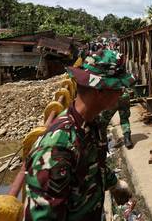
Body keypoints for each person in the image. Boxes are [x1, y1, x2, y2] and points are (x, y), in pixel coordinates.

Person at [24, 49, 133, 220]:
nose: (121, 93)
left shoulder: (90, 124)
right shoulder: (58, 148)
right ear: (99, 90)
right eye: (118, 87)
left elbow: (93, 165)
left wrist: (114, 183)